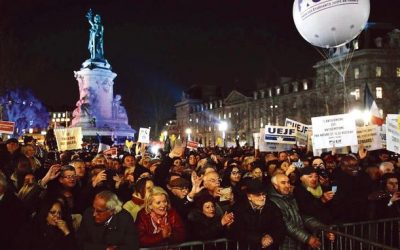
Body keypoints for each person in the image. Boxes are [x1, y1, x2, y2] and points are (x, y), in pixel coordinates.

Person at [268, 174, 334, 250]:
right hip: (283, 245)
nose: (287, 185)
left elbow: (302, 216)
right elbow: (286, 225)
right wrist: (307, 238)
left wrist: (323, 229)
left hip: (297, 243)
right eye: (283, 183)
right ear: (275, 185)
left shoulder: (290, 198)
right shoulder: (271, 201)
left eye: (288, 182)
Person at [230, 180, 285, 250]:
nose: (262, 198)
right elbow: (237, 231)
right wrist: (260, 239)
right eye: (258, 195)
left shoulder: (271, 206)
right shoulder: (238, 208)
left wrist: (271, 237)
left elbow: (280, 226)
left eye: (264, 194)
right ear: (249, 197)